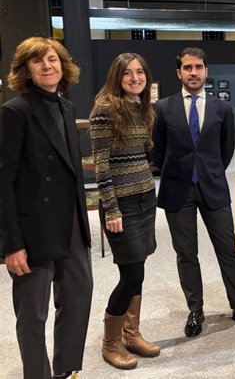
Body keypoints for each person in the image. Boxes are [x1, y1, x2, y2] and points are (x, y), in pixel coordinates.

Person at [0, 37, 93, 379]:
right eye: (37, 61)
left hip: (70, 223)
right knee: (33, 314)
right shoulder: (14, 112)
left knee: (79, 296)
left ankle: (66, 371)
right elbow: (4, 182)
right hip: (33, 228)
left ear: (63, 64)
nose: (47, 66)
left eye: (52, 59)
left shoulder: (66, 107)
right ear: (26, 70)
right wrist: (11, 244)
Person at [151, 47, 235, 336]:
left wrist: (209, 170)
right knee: (186, 254)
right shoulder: (163, 108)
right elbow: (158, 150)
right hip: (178, 191)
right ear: (179, 73)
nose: (194, 72)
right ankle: (195, 310)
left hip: (213, 187)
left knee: (227, 248)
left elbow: (226, 150)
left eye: (198, 67)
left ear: (206, 71)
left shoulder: (221, 108)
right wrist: (176, 172)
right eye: (188, 68)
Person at [90, 53, 160, 370]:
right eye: (128, 73)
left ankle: (132, 334)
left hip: (145, 198)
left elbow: (140, 156)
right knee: (130, 273)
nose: (135, 77)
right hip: (122, 205)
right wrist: (111, 208)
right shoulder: (105, 109)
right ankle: (110, 343)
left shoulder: (142, 107)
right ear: (117, 76)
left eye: (140, 72)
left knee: (139, 269)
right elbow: (101, 165)